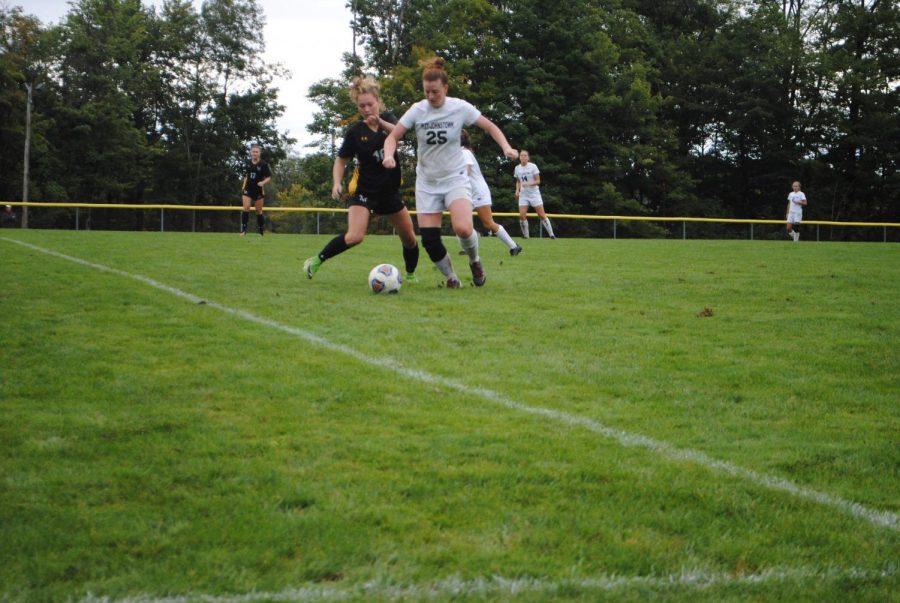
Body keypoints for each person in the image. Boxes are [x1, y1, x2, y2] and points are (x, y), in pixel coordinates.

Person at [382, 57, 518, 288]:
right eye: (427, 92)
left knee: (463, 229)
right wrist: (388, 155)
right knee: (430, 240)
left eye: (435, 92)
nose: (431, 96)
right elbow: (392, 137)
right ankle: (451, 278)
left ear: (445, 88)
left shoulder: (459, 108)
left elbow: (490, 127)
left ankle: (475, 261)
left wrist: (506, 147)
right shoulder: (417, 110)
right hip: (427, 182)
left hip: (454, 178)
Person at [303, 76, 420, 281]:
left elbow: (400, 134)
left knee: (409, 238)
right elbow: (341, 160)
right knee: (355, 236)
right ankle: (316, 260)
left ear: (378, 101)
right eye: (362, 106)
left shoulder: (389, 119)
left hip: (389, 192)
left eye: (370, 104)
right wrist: (337, 183)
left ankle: (410, 276)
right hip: (364, 191)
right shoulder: (355, 132)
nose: (366, 109)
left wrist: (380, 122)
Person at [460, 129, 522, 256]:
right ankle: (470, 247)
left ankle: (514, 246)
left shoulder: (464, 153)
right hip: (468, 192)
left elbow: (464, 173)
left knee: (488, 223)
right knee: (461, 222)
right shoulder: (459, 153)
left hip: (478, 192)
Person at [514, 150, 555, 239]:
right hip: (524, 195)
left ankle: (551, 234)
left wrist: (528, 183)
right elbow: (518, 181)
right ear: (519, 157)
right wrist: (517, 190)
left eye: (525, 156)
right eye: (521, 155)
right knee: (522, 215)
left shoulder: (533, 166)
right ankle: (526, 236)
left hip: (534, 194)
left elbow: (538, 181)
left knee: (541, 215)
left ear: (528, 157)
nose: (523, 157)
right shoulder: (517, 168)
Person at [240, 143, 271, 236]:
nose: (255, 153)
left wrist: (263, 183)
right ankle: (243, 230)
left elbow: (268, 177)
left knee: (258, 211)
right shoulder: (246, 163)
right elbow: (245, 175)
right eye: (253, 152)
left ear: (259, 153)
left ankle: (261, 230)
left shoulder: (263, 164)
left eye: (257, 152)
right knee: (246, 208)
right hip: (248, 189)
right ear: (250, 153)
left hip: (258, 190)